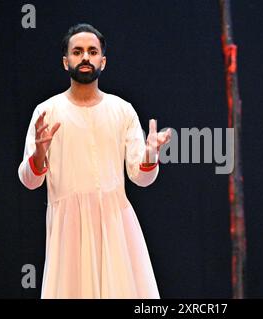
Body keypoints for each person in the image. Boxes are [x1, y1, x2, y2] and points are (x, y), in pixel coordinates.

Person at [18, 23, 171, 298]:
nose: (85, 57)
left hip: (116, 226)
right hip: (68, 232)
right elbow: (30, 181)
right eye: (77, 52)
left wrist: (150, 155)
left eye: (92, 51)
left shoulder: (122, 110)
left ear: (103, 61)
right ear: (66, 62)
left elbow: (141, 177)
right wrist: (39, 155)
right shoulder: (47, 112)